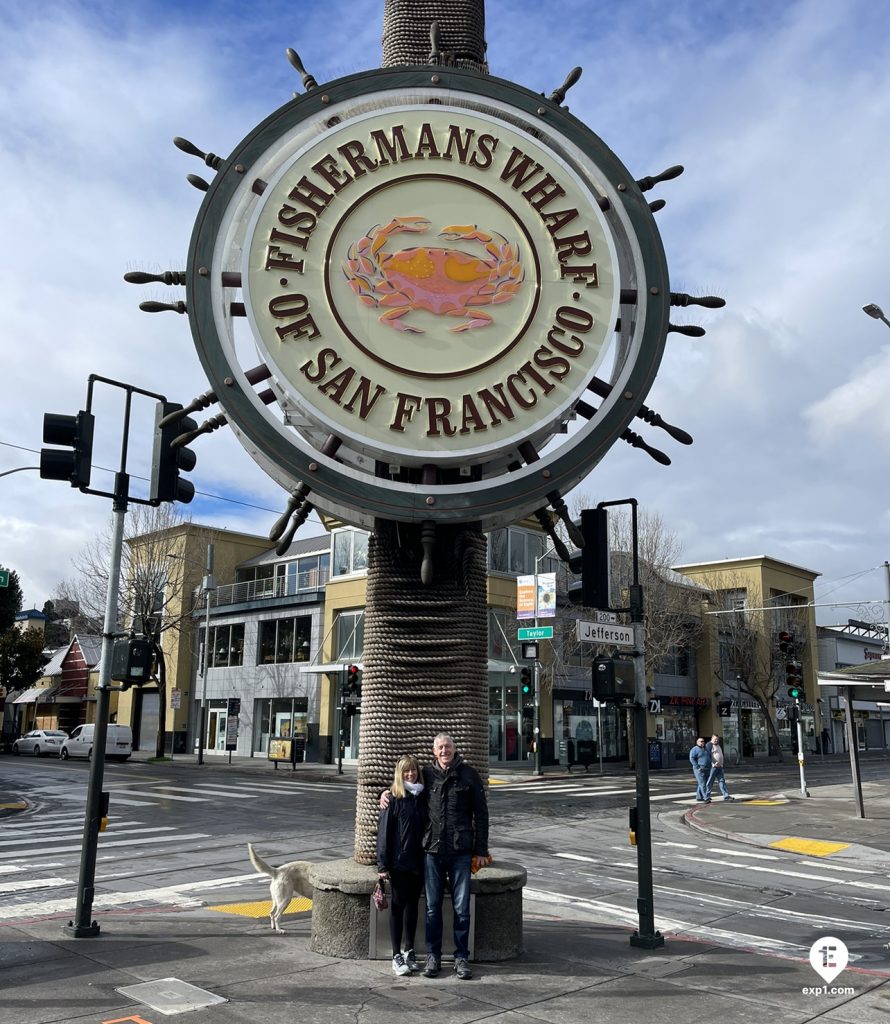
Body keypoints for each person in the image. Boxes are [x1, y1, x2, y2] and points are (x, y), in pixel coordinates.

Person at [381, 733, 491, 981]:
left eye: (448, 747)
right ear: (434, 751)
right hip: (431, 851)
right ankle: (433, 956)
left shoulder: (469, 775)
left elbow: (481, 814)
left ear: (454, 749)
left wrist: (481, 850)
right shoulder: (427, 776)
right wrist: (384, 794)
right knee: (432, 909)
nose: (444, 751)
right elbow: (404, 788)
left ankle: (461, 957)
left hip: (460, 852)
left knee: (461, 909)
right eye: (440, 747)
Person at [377, 755, 426, 976]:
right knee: (397, 906)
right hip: (398, 862)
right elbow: (384, 834)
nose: (410, 774)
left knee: (413, 906)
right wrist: (382, 865)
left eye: (413, 770)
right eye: (406, 771)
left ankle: (410, 950)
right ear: (399, 773)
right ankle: (396, 954)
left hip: (419, 861)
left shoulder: (422, 796)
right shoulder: (393, 798)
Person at [705, 734, 735, 801]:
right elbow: (707, 756)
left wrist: (721, 764)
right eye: (715, 739)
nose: (716, 740)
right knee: (710, 782)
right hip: (713, 767)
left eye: (717, 739)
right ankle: (706, 797)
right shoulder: (709, 745)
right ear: (711, 738)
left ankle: (726, 796)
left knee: (722, 781)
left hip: (719, 767)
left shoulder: (718, 745)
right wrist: (712, 764)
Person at [689, 737, 710, 803]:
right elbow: (691, 759)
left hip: (707, 768)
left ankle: (699, 797)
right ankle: (706, 798)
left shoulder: (706, 749)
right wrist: (697, 767)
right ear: (697, 742)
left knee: (703, 783)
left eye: (703, 741)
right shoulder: (694, 749)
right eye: (700, 741)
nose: (702, 742)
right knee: (702, 784)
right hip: (699, 769)